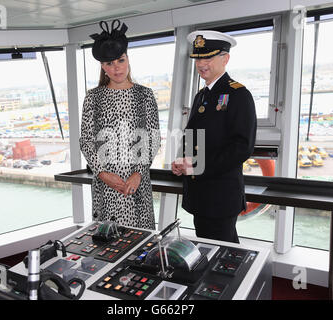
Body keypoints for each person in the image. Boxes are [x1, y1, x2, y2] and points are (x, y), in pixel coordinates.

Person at [171, 30, 257, 243]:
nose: (201, 64)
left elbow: (241, 147)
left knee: (223, 254)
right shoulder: (202, 95)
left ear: (225, 58)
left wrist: (196, 165)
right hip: (200, 193)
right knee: (211, 249)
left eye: (208, 57)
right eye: (198, 58)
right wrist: (184, 161)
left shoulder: (238, 95)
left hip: (220, 195)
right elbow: (193, 137)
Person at [80, 20, 161, 230]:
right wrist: (103, 174)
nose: (116, 68)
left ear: (127, 59)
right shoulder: (93, 98)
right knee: (108, 245)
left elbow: (152, 139)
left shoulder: (145, 95)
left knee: (141, 245)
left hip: (138, 183)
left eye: (120, 60)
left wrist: (137, 173)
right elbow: (87, 141)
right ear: (102, 67)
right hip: (105, 186)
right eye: (109, 64)